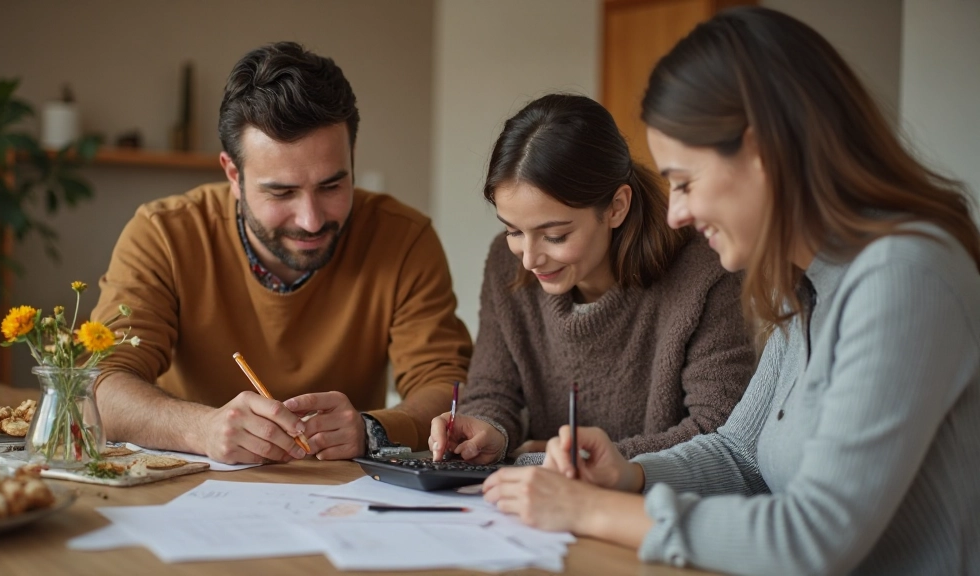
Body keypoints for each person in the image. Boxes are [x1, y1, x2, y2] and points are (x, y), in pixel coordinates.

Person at [481, 7, 980, 575]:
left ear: (763, 153)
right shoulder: (803, 286)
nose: (678, 213)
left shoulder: (905, 277)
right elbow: (741, 454)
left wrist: (593, 509)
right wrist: (627, 473)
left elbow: (813, 537)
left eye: (685, 182)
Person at [90, 42, 472, 464]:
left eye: (331, 186)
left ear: (352, 159)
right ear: (233, 174)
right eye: (282, 192)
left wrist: (372, 429)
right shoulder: (163, 234)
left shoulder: (404, 239)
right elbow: (100, 384)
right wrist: (203, 428)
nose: (311, 220)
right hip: (194, 488)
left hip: (345, 497)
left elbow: (448, 385)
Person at [428, 94, 756, 465]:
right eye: (513, 230)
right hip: (549, 505)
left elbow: (720, 433)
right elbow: (493, 390)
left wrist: (579, 462)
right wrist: (487, 430)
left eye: (555, 235)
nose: (530, 259)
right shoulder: (507, 265)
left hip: (660, 509)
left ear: (617, 207)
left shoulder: (708, 273)